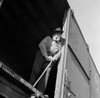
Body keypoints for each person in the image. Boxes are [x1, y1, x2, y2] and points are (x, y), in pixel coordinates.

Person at [30, 27, 65, 97]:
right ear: (53, 34)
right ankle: (30, 86)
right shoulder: (48, 38)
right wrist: (46, 56)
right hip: (41, 55)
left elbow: (59, 53)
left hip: (49, 59)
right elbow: (41, 45)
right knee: (36, 70)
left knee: (47, 73)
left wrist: (54, 58)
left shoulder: (59, 44)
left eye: (59, 34)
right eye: (56, 34)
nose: (58, 36)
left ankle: (40, 92)